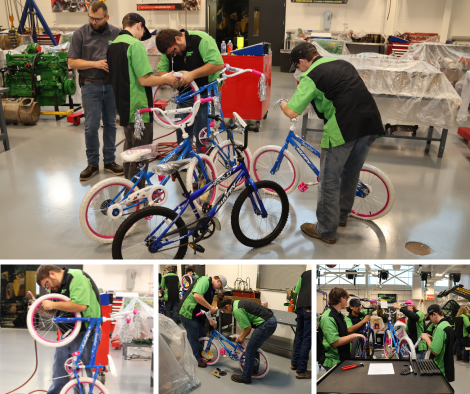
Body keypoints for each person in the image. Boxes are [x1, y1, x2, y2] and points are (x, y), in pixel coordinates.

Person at [279, 42, 384, 244]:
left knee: (329, 180)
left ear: (302, 61)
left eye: (298, 66)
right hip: (369, 122)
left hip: (343, 129)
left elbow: (292, 111)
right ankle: (341, 216)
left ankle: (326, 230)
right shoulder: (342, 63)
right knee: (350, 174)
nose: (299, 70)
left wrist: (282, 102)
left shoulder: (310, 76)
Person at [107, 14, 177, 189]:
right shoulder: (135, 45)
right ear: (139, 25)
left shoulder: (112, 45)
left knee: (129, 150)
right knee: (141, 154)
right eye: (142, 31)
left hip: (124, 107)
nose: (141, 36)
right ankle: (137, 196)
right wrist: (167, 79)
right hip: (140, 109)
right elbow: (145, 80)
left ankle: (127, 189)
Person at [68, 2, 123, 181]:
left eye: (97, 19)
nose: (94, 21)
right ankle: (92, 164)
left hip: (111, 85)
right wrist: (95, 64)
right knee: (91, 127)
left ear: (106, 17)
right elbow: (72, 62)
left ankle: (109, 161)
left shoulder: (117, 33)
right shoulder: (80, 34)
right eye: (91, 18)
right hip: (90, 84)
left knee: (110, 124)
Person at [35, 265, 101, 394]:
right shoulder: (56, 288)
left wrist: (52, 304)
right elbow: (57, 313)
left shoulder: (76, 277)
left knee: (82, 377)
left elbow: (80, 305)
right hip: (67, 335)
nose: (49, 288)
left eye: (47, 284)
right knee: (59, 374)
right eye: (46, 287)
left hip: (85, 332)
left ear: (52, 273)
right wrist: (39, 309)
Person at [155, 28, 224, 152]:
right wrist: (169, 79)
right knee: (182, 132)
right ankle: (184, 163)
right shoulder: (168, 48)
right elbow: (161, 72)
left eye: (174, 51)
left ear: (178, 39)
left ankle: (203, 166)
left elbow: (218, 64)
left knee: (202, 135)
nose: (173, 55)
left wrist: (192, 74)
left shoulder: (201, 40)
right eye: (170, 54)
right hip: (184, 95)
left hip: (206, 93)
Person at [217, 294, 277, 384]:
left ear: (227, 306)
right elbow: (245, 326)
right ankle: (254, 369)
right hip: (270, 320)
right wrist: (241, 336)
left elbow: (248, 328)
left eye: (224, 311)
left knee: (250, 350)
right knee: (254, 346)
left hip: (266, 324)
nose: (225, 313)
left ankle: (246, 377)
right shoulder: (236, 303)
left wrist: (241, 337)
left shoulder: (236, 311)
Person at [177, 275, 227, 368]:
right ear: (218, 281)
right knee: (194, 336)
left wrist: (210, 319)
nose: (219, 289)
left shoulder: (211, 289)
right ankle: (196, 358)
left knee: (202, 334)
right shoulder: (204, 281)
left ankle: (200, 354)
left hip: (198, 314)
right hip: (189, 312)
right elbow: (197, 296)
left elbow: (205, 305)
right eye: (220, 287)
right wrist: (211, 308)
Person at [318, 287, 366, 370]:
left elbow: (343, 334)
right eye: (346, 298)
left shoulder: (339, 315)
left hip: (343, 359)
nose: (346, 301)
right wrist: (354, 336)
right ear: (341, 299)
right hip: (333, 362)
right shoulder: (328, 317)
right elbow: (335, 342)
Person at [420, 304, 455, 381]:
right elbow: (445, 342)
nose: (430, 321)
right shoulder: (447, 325)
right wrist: (433, 338)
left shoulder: (439, 328)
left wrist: (427, 339)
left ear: (434, 314)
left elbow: (435, 351)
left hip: (439, 368)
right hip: (447, 366)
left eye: (430, 318)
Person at [290, 270, 311, 379]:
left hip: (300, 307)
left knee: (299, 336)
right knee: (307, 339)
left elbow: (297, 290)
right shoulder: (315, 274)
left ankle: (294, 363)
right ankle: (301, 370)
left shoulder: (305, 273)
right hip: (309, 308)